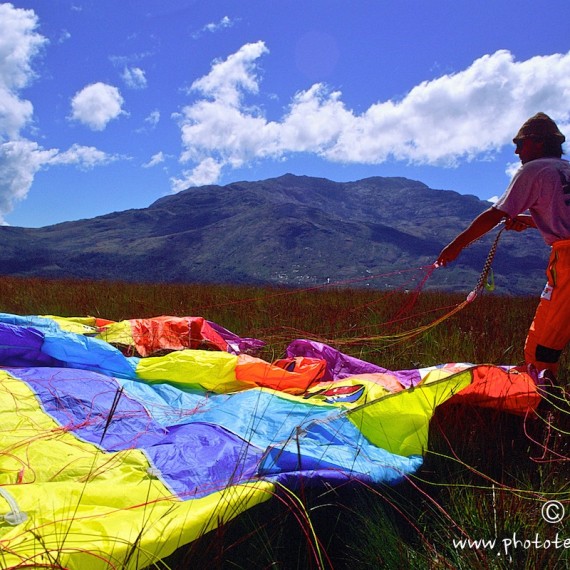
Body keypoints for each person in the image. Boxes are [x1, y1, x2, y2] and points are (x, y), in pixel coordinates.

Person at [437, 112, 570, 381]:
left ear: (539, 143)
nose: (516, 151)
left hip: (567, 260)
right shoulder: (565, 169)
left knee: (541, 346)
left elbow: (494, 214)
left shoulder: (534, 169)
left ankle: (544, 407)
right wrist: (532, 222)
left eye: (521, 143)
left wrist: (456, 245)